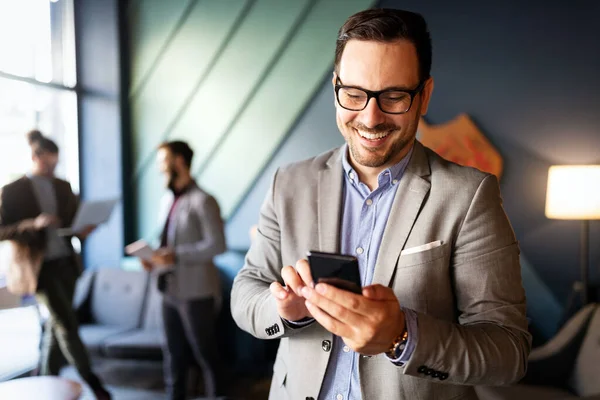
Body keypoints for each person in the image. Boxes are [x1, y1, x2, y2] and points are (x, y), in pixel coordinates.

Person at [230, 8, 531, 400]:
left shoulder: (470, 196)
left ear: (424, 96)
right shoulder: (288, 182)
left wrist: (402, 336)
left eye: (393, 96)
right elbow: (246, 290)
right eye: (354, 95)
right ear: (335, 86)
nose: (370, 118)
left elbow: (508, 352)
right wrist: (285, 310)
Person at [0, 130, 111, 400]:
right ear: (35, 158)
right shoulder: (12, 191)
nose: (52, 169)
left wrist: (83, 230)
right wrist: (32, 224)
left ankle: (45, 382)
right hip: (39, 268)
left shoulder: (62, 186)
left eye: (55, 164)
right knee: (66, 326)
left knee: (56, 326)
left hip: (66, 263)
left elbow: (73, 222)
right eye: (47, 164)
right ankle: (94, 383)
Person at [140, 140, 226, 400]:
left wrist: (175, 256)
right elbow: (166, 242)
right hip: (168, 290)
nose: (159, 168)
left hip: (197, 291)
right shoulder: (167, 200)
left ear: (179, 161)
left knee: (206, 355)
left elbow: (217, 245)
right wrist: (153, 258)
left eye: (163, 161)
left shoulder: (204, 200)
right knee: (173, 356)